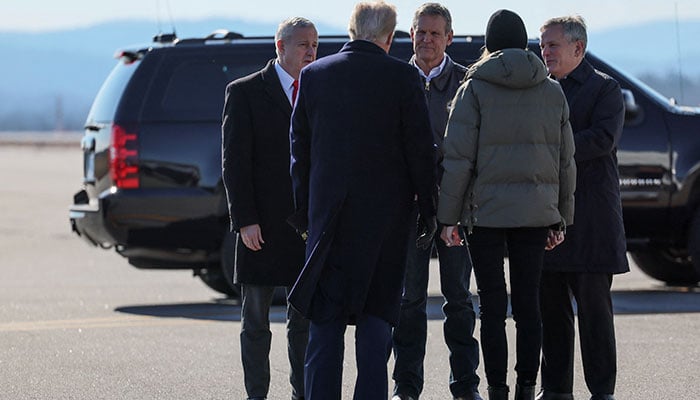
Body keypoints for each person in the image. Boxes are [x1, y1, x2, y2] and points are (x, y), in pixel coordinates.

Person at [288, 2, 438, 399]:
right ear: (390, 37)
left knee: (325, 322)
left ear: (351, 31)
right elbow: (420, 151)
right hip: (386, 224)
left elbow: (299, 152)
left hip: (329, 222)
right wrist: (429, 210)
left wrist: (305, 213)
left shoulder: (314, 75)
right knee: (375, 324)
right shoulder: (404, 77)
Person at [438, 9, 576, 400]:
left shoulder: (474, 89)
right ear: (524, 42)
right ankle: (527, 387)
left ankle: (497, 388)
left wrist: (448, 217)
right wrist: (561, 218)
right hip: (536, 214)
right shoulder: (551, 90)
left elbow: (458, 159)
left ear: (489, 44)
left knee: (492, 307)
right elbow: (566, 159)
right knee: (529, 305)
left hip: (486, 216)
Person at [221, 16, 318, 400]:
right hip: (259, 226)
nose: (311, 52)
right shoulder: (245, 92)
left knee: (303, 322)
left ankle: (302, 394)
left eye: (314, 45)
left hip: (306, 227)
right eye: (302, 45)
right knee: (256, 322)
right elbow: (234, 163)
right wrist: (244, 220)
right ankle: (257, 394)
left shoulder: (320, 88)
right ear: (280, 48)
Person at [391, 3, 481, 400]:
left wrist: (458, 207)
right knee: (408, 303)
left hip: (455, 211)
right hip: (406, 210)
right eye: (420, 32)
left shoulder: (468, 83)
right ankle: (406, 387)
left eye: (435, 33)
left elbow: (475, 151)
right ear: (410, 35)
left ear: (449, 37)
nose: (427, 40)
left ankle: (465, 386)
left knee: (459, 301)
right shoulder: (393, 79)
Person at [537, 15, 628, 400]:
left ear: (578, 47)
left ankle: (601, 390)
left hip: (590, 220)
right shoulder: (538, 89)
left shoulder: (604, 89)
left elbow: (602, 140)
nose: (545, 52)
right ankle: (556, 389)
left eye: (552, 45)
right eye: (542, 45)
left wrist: (549, 144)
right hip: (546, 218)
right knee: (552, 314)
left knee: (594, 314)